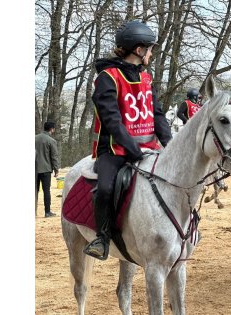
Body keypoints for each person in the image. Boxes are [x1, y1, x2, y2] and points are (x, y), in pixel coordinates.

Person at [84, 20, 173, 260]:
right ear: (138, 49)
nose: (152, 54)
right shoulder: (107, 78)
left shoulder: (146, 78)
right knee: (105, 188)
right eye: (150, 49)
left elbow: (157, 115)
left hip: (148, 148)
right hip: (114, 150)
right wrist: (133, 150)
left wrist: (170, 145)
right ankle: (101, 238)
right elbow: (112, 121)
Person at [35, 121, 60, 218]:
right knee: (46, 191)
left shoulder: (34, 138)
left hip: (34, 170)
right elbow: (54, 156)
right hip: (45, 170)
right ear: (52, 129)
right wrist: (56, 169)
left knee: (34, 191)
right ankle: (47, 212)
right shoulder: (51, 141)